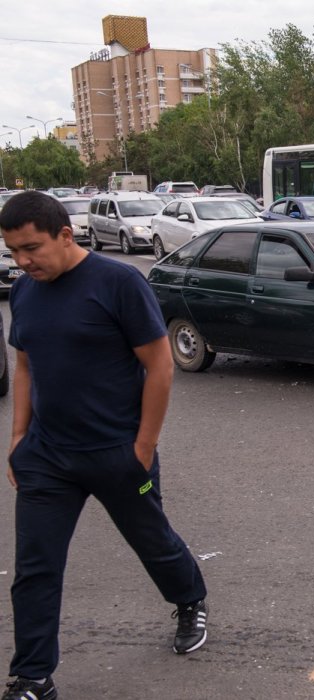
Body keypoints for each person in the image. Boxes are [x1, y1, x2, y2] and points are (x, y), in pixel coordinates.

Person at [0, 191, 208, 700]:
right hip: (47, 457)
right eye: (13, 251)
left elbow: (160, 366)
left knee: (152, 541)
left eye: (32, 249)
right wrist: (19, 438)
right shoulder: (27, 292)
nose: (23, 262)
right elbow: (25, 364)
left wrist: (142, 447)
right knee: (35, 568)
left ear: (65, 236)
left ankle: (189, 600)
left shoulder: (117, 283)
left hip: (117, 452)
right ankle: (32, 678)